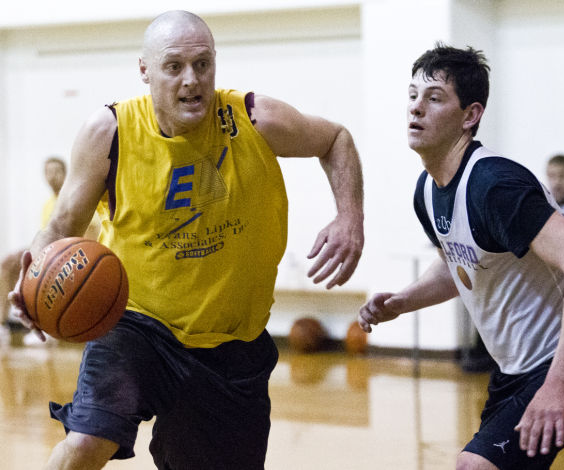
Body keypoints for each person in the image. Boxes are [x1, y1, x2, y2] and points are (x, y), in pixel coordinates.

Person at [8, 10, 363, 470]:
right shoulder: (110, 133)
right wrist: (34, 280)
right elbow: (60, 227)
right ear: (145, 71)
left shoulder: (254, 118)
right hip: (137, 323)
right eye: (174, 66)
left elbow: (335, 139)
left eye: (203, 64)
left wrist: (349, 217)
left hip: (232, 345)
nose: (191, 80)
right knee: (84, 444)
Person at [358, 43, 564, 469]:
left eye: (434, 97)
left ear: (470, 115)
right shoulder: (427, 190)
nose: (416, 108)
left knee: (473, 467)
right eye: (412, 96)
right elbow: (458, 264)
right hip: (516, 368)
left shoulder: (494, 185)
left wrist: (557, 386)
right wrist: (403, 301)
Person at [0, 157, 67, 345]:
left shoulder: (71, 202)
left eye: (56, 171)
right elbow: (44, 234)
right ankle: (2, 324)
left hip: (64, 255)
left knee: (39, 271)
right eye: (48, 171)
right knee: (7, 263)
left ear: (65, 174)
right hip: (48, 251)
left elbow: (88, 233)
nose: (52, 176)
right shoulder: (47, 204)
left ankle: (48, 325)